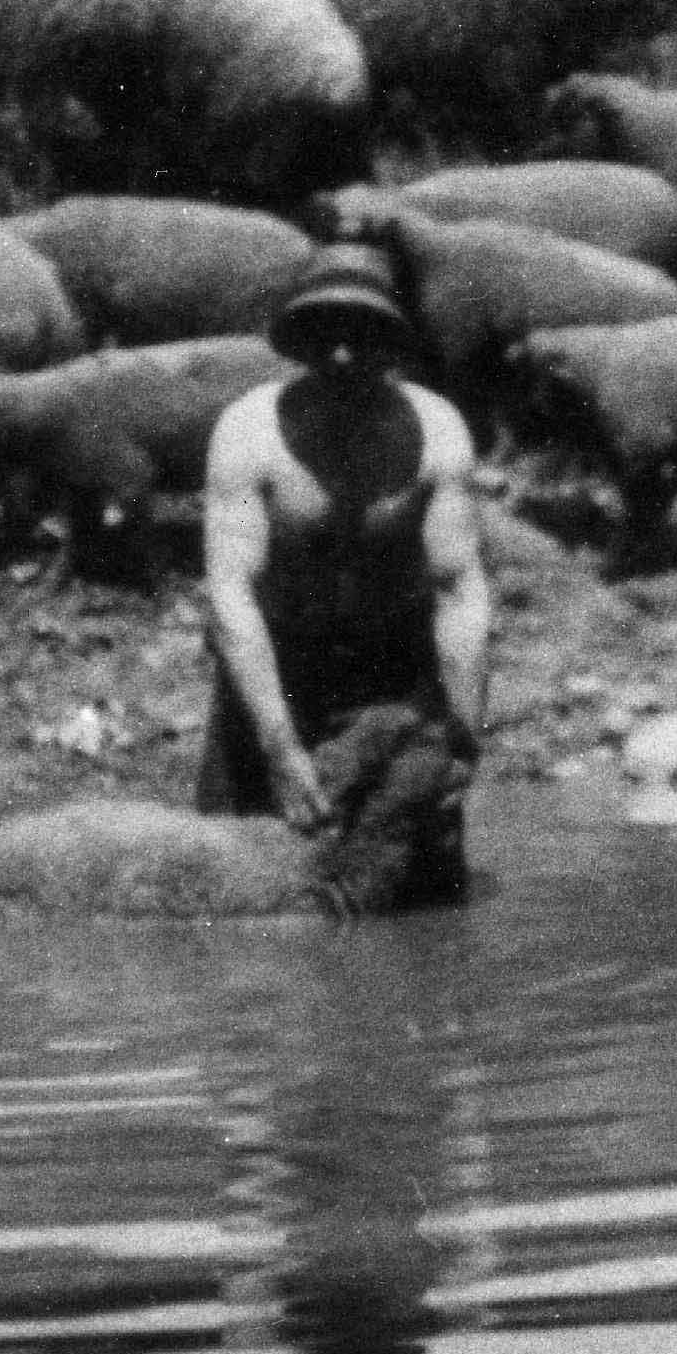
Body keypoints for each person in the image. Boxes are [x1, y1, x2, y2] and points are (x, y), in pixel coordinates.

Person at [197, 245, 491, 893]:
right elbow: (229, 593)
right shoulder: (249, 432)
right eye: (323, 334)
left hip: (391, 670)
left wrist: (464, 734)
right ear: (298, 341)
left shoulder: (437, 433)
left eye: (361, 335)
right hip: (278, 664)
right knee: (237, 887)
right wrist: (277, 743)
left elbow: (459, 589)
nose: (340, 355)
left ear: (391, 342)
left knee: (423, 895)